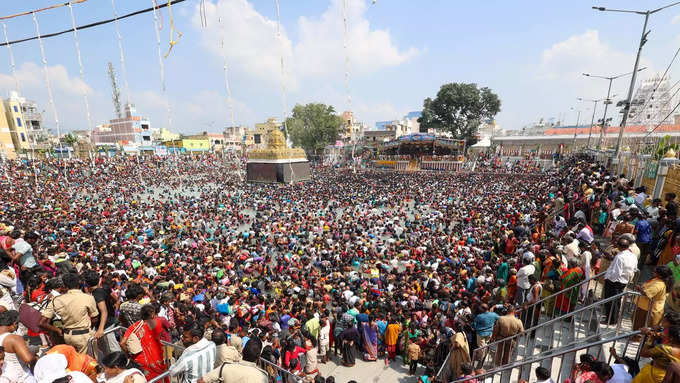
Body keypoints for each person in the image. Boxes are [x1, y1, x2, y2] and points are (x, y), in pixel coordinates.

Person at [39, 272, 98, 353]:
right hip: (84, 336)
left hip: (67, 337)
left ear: (64, 286)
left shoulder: (56, 300)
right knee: (89, 363)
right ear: (79, 284)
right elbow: (95, 319)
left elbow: (42, 323)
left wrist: (58, 330)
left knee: (73, 361)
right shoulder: (88, 298)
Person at [120, 304, 168, 381]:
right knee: (160, 378)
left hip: (140, 359)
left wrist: (128, 355)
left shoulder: (133, 327)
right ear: (152, 314)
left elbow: (122, 343)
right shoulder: (158, 323)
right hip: (156, 357)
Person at [603, 237, 637, 325]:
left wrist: (609, 279)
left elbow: (616, 272)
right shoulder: (632, 255)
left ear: (619, 246)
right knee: (617, 301)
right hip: (623, 281)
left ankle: (610, 320)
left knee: (611, 301)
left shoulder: (620, 257)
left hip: (615, 282)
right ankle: (612, 318)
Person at [633, 265, 674, 331]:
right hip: (646, 308)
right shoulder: (657, 279)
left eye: (655, 271)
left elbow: (647, 293)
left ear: (660, 275)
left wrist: (639, 288)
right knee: (638, 326)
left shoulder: (659, 284)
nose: (653, 272)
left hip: (648, 310)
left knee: (640, 329)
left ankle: (637, 340)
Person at [0, 310, 37, 383]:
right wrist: (35, 358)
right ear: (15, 324)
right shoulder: (14, 338)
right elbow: (28, 359)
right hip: (22, 377)